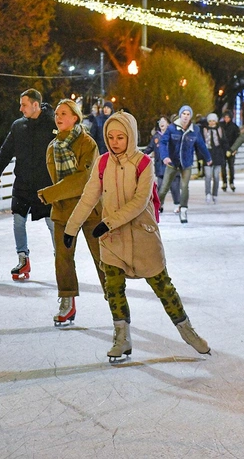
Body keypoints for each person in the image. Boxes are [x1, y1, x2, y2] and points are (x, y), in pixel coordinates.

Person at [63, 111, 210, 361]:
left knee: (163, 286)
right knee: (114, 289)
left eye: (121, 136)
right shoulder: (102, 163)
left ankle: (187, 331)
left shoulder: (144, 163)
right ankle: (122, 338)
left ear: (130, 136)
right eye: (110, 137)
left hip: (143, 237)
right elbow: (89, 197)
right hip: (112, 241)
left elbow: (140, 202)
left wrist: (107, 223)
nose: (115, 142)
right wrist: (71, 228)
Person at [38, 99, 106, 326]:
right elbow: (57, 178)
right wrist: (55, 195)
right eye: (57, 113)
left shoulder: (87, 143)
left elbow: (83, 180)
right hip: (63, 211)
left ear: (75, 117)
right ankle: (67, 301)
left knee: (101, 256)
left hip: (89, 209)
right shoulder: (52, 147)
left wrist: (50, 194)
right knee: (63, 258)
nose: (58, 117)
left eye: (64, 113)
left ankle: (115, 297)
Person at [0, 89, 55, 280]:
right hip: (23, 184)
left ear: (35, 105)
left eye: (24, 104)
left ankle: (61, 259)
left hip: (46, 186)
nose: (20, 108)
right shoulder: (18, 126)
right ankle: (23, 258)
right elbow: (6, 151)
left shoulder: (52, 125)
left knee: (52, 224)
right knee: (18, 221)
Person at [158, 105, 212, 223]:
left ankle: (183, 210)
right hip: (172, 162)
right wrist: (165, 156)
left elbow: (201, 145)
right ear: (180, 115)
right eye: (184, 114)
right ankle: (156, 207)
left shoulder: (195, 130)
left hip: (186, 163)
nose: (186, 116)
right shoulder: (172, 128)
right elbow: (163, 142)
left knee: (184, 187)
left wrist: (208, 157)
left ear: (190, 116)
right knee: (164, 188)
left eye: (188, 114)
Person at [143, 116, 180, 212]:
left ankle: (177, 204)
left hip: (172, 165)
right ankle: (160, 205)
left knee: (174, 186)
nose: (161, 123)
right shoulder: (156, 136)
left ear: (168, 123)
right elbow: (150, 148)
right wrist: (142, 155)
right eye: (160, 121)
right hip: (160, 166)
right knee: (160, 187)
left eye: (163, 121)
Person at [202, 113, 229, 203]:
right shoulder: (204, 130)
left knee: (216, 177)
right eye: (210, 121)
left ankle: (215, 194)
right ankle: (208, 194)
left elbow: (224, 142)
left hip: (218, 155)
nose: (212, 123)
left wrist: (227, 151)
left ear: (216, 121)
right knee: (208, 176)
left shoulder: (220, 130)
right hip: (207, 155)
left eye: (213, 121)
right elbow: (201, 144)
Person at [219, 111, 240, 192]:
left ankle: (231, 182)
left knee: (231, 166)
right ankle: (224, 182)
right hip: (222, 149)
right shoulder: (221, 126)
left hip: (231, 149)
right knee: (223, 166)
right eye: (225, 117)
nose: (226, 119)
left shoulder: (234, 127)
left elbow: (237, 139)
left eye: (228, 117)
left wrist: (235, 149)